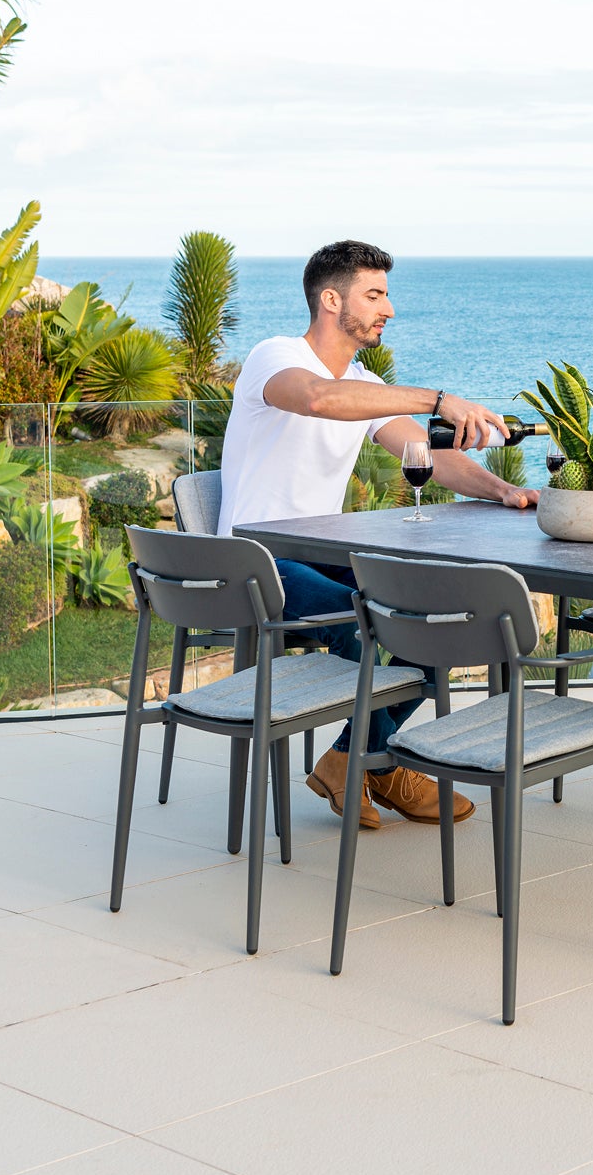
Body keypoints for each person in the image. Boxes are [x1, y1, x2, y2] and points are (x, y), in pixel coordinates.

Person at [217, 239, 538, 829]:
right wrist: (439, 398)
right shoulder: (276, 356)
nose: (387, 308)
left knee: (449, 612)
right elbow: (318, 399)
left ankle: (353, 759)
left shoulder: (362, 382)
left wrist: (502, 491)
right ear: (331, 299)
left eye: (386, 294)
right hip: (254, 561)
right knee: (369, 618)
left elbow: (424, 455)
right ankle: (375, 762)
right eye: (374, 294)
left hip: (322, 553)